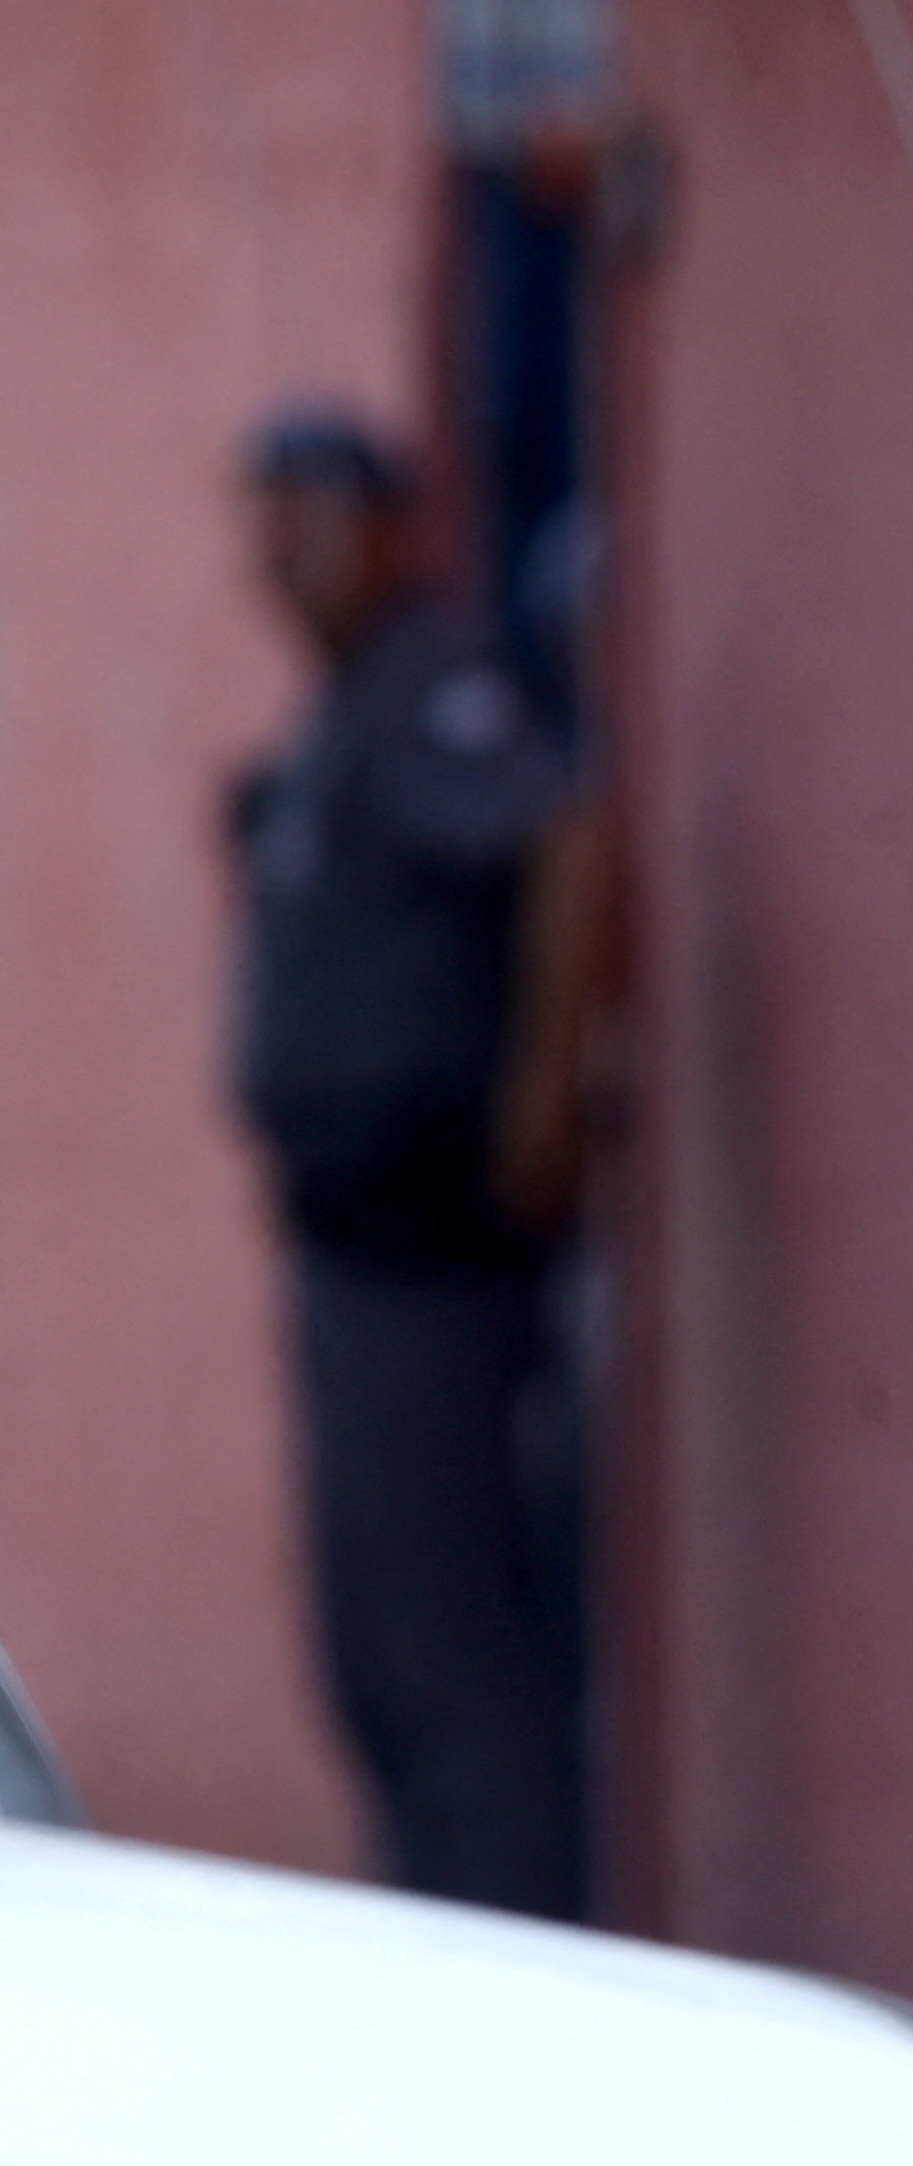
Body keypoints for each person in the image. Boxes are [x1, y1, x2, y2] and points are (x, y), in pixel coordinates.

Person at [227, 409, 603, 1918]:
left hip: (431, 1249)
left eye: (311, 516)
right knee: (377, 1656)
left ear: (390, 529)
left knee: (456, 1666)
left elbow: (575, 841)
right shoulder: (339, 714)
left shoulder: (433, 690)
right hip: (346, 1242)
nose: (281, 553)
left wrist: (544, 1091)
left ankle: (509, 1962)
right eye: (264, 519)